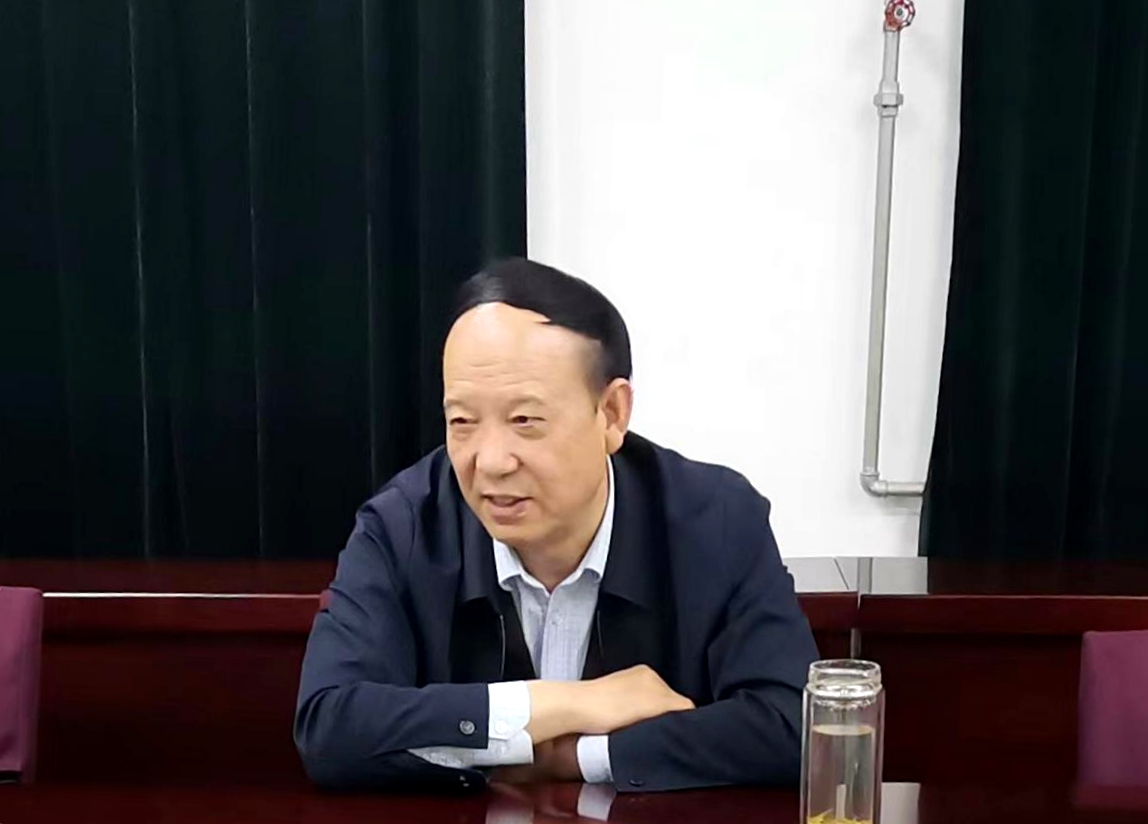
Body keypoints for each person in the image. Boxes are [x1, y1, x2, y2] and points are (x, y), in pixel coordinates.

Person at [294, 258, 819, 793]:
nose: (490, 462)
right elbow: (329, 727)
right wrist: (565, 705)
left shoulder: (717, 521)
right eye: (462, 422)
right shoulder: (403, 525)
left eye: (525, 420)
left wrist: (577, 756)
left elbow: (795, 722)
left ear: (611, 413)